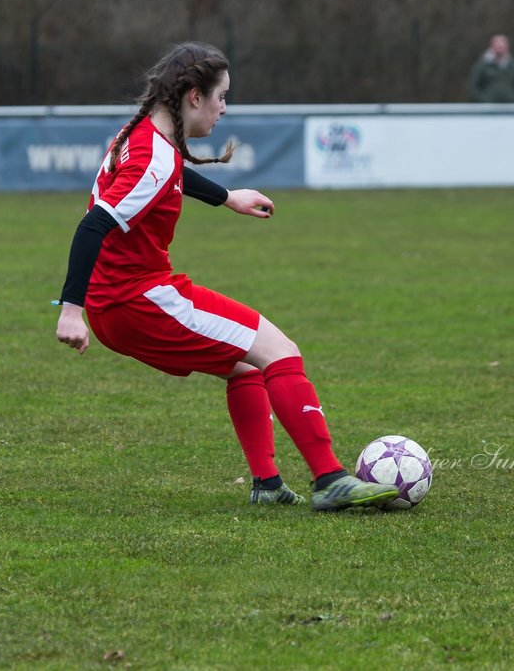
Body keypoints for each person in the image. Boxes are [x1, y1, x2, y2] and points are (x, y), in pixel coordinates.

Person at [54, 42, 398, 511]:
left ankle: (268, 484)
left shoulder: (138, 136)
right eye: (221, 96)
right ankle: (331, 479)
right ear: (194, 96)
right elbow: (95, 224)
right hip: (139, 301)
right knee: (280, 351)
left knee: (246, 366)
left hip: (119, 305)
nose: (224, 107)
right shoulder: (153, 157)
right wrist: (70, 312)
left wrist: (226, 196)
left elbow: (168, 174)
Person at [469, 34, 514, 103]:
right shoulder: (482, 65)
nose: (499, 47)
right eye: (497, 44)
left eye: (502, 45)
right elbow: (474, 86)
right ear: (492, 46)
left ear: (507, 46)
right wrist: (482, 100)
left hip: (511, 108)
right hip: (488, 108)